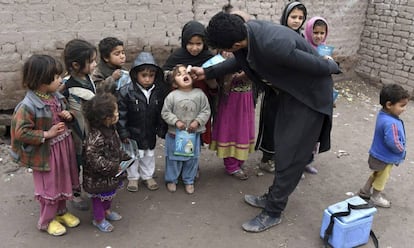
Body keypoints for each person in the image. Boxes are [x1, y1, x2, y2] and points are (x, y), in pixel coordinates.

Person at [190, 12, 340, 232]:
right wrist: (206, 71)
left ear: (235, 43)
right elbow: (237, 62)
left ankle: (273, 211)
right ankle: (273, 197)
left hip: (310, 98)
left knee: (291, 154)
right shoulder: (246, 36)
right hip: (290, 94)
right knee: (282, 147)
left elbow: (317, 66)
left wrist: (332, 64)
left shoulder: (274, 45)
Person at [10, 55, 80, 236]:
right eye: (57, 77)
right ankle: (46, 221)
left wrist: (68, 115)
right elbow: (21, 132)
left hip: (63, 148)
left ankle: (61, 212)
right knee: (49, 186)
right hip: (45, 154)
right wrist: (47, 134)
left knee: (64, 180)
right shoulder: (27, 106)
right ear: (42, 81)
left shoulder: (56, 97)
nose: (61, 80)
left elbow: (67, 115)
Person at [255, 1, 308, 174]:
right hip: (275, 91)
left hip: (292, 92)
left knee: (288, 126)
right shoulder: (276, 36)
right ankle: (266, 158)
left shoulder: (301, 39)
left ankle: (281, 157)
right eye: (293, 17)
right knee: (272, 123)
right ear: (285, 17)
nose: (296, 21)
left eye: (300, 18)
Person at [117, 52, 167, 192]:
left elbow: (161, 112)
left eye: (151, 75)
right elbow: (121, 114)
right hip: (133, 131)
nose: (147, 79)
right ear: (135, 75)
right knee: (133, 156)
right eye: (144, 75)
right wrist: (123, 132)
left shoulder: (157, 92)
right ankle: (133, 178)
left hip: (150, 130)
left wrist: (161, 128)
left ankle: (147, 176)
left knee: (148, 154)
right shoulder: (126, 92)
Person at [82, 93, 130, 232]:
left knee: (109, 195)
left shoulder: (111, 129)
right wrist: (113, 166)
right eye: (115, 111)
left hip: (111, 174)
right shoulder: (96, 137)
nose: (118, 113)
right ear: (106, 118)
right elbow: (94, 158)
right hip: (98, 178)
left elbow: (115, 148)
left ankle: (106, 212)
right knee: (98, 199)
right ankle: (98, 219)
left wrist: (124, 156)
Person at [162, 20, 215, 145]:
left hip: (200, 101)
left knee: (196, 130)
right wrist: (178, 75)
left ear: (205, 43)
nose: (194, 48)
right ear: (184, 42)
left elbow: (216, 83)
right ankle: (179, 160)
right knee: (180, 130)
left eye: (199, 44)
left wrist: (206, 75)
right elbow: (164, 74)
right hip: (180, 103)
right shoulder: (177, 56)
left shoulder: (209, 57)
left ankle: (193, 161)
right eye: (190, 43)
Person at [161, 64, 211, 194]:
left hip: (193, 135)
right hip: (174, 135)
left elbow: (206, 111)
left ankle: (189, 180)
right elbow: (165, 112)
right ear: (174, 83)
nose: (184, 75)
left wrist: (197, 121)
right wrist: (176, 121)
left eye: (185, 72)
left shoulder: (199, 94)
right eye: (179, 74)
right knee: (173, 158)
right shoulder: (172, 96)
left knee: (192, 158)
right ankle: (172, 180)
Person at [358, 84, 409, 208]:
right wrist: (401, 148)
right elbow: (393, 142)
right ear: (389, 105)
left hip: (377, 154)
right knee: (382, 178)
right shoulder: (391, 123)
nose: (404, 109)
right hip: (385, 157)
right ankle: (376, 197)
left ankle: (364, 191)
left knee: (377, 173)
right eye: (402, 106)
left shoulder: (383, 115)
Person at [208, 51, 256, 180]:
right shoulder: (219, 60)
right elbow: (216, 77)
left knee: (243, 129)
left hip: (246, 100)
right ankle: (231, 165)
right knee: (230, 129)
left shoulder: (249, 56)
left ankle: (239, 160)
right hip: (230, 101)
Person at [62, 39, 98, 211]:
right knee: (75, 163)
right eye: (91, 61)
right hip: (75, 133)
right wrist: (67, 115)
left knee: (90, 159)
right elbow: (57, 105)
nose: (95, 64)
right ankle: (75, 194)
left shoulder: (88, 78)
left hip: (91, 129)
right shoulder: (65, 85)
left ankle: (90, 188)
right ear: (76, 65)